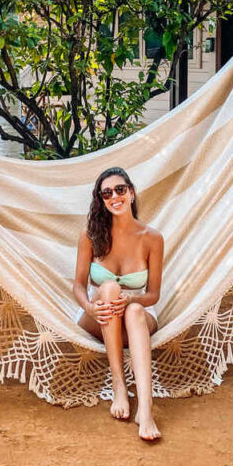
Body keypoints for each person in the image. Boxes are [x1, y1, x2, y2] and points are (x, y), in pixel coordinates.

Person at [74, 166, 164, 441]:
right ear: (101, 200)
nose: (114, 196)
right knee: (109, 287)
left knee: (135, 309)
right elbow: (78, 286)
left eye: (120, 190)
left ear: (132, 193)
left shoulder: (152, 238)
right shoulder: (91, 235)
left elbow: (153, 295)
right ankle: (119, 387)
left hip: (136, 319)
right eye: (107, 193)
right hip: (98, 316)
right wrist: (90, 306)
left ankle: (146, 409)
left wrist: (132, 299)